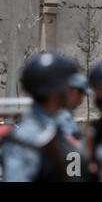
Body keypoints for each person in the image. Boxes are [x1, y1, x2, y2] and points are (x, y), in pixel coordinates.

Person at [1, 53, 86, 181]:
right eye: (68, 85)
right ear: (56, 90)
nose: (71, 90)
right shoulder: (26, 139)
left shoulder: (57, 127)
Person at [56, 73, 89, 144]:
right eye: (83, 95)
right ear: (75, 92)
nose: (82, 99)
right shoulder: (62, 117)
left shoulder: (65, 113)